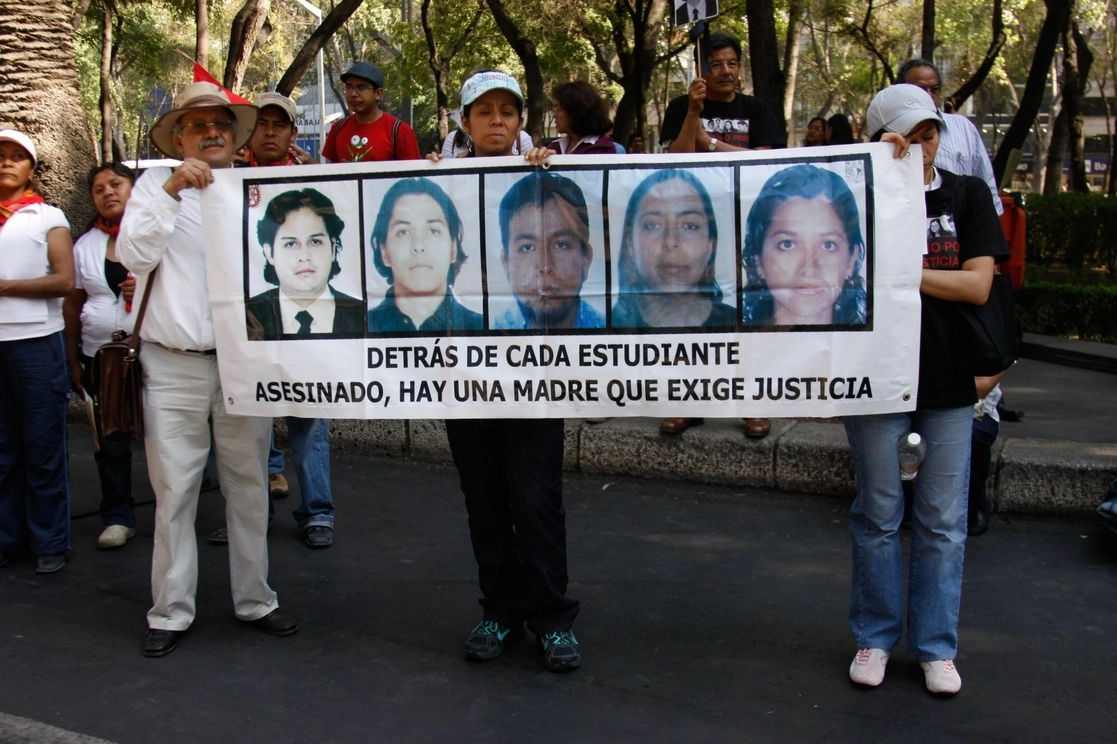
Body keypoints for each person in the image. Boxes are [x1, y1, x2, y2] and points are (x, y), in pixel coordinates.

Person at [117, 81, 298, 657]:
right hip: (172, 366)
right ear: (177, 137)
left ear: (234, 134)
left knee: (248, 489)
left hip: (243, 365)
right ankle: (170, 612)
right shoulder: (151, 186)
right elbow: (134, 256)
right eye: (197, 126)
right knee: (175, 493)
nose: (211, 132)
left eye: (220, 123)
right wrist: (171, 189)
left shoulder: (258, 190)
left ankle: (256, 599)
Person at [843, 84, 1009, 695]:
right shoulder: (861, 195)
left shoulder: (966, 195)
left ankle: (937, 647)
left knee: (942, 521)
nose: (921, 145)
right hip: (877, 381)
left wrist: (904, 275)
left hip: (947, 381)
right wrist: (875, 169)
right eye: (907, 134)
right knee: (879, 514)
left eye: (930, 132)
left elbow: (978, 287)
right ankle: (874, 638)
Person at [427, 70, 582, 672]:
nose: (497, 122)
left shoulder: (545, 176)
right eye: (484, 112)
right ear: (464, 124)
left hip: (534, 375)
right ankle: (499, 609)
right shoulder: (438, 182)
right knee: (484, 499)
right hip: (464, 372)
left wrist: (548, 171)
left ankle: (552, 617)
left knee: (536, 497)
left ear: (521, 122)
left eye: (507, 112)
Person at [221, 90, 335, 550]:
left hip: (305, 322)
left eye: (279, 125)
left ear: (292, 133)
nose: (269, 132)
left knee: (308, 419)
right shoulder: (223, 183)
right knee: (247, 424)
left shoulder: (320, 184)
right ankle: (251, 514)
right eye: (261, 124)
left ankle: (318, 512)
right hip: (245, 325)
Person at [0, 129, 75, 575]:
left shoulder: (48, 216)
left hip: (35, 341)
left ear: (31, 169)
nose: (7, 162)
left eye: (17, 157)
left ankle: (50, 540)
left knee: (42, 444)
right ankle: (9, 538)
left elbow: (64, 281)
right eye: (1, 155)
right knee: (2, 447)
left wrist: (6, 287)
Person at [62, 162, 139, 551]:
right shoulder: (85, 245)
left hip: (149, 352)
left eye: (116, 184)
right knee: (109, 439)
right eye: (98, 189)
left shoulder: (153, 236)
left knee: (164, 436)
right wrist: (73, 357)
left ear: (134, 189)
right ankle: (118, 517)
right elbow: (73, 302)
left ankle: (176, 511)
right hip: (99, 357)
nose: (107, 192)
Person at [741, 163, 867, 327]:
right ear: (758, 260)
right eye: (788, 244)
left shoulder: (875, 348)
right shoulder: (734, 340)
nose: (809, 268)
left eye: (828, 245)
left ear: (852, 260)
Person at [612, 168, 733, 330]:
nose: (670, 242)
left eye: (690, 226)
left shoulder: (740, 327)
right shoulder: (605, 326)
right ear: (630, 245)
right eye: (652, 225)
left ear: (711, 244)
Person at [245, 188, 365, 339]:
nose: (304, 257)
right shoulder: (246, 316)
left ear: (333, 249)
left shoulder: (364, 315)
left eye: (315, 242)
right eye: (291, 244)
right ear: (269, 253)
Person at [366, 177, 483, 332]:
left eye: (433, 231)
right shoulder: (361, 326)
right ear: (384, 252)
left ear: (453, 248)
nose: (419, 246)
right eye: (403, 232)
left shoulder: (480, 327)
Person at [493, 171, 604, 330]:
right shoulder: (478, 337)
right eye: (527, 247)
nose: (544, 266)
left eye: (561, 245)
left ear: (586, 259)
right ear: (506, 263)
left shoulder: (618, 334)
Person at [898, 58, 1003, 215]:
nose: (929, 95)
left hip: (962, 227)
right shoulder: (893, 131)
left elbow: (986, 182)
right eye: (920, 89)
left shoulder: (964, 128)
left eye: (934, 89)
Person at [661, 33, 785, 153]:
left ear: (739, 67)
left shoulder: (757, 108)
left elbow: (761, 161)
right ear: (699, 69)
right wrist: (693, 112)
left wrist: (708, 143)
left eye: (732, 64)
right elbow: (676, 162)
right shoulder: (680, 107)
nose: (726, 71)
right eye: (716, 65)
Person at [321, 62, 421, 163]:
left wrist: (434, 163)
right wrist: (308, 161)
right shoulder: (338, 128)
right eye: (349, 87)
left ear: (378, 93)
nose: (353, 94)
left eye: (361, 88)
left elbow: (413, 175)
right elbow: (330, 175)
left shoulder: (400, 131)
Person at [546, 81, 618, 155]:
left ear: (575, 111)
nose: (554, 115)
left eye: (559, 109)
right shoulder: (554, 147)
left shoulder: (601, 149)